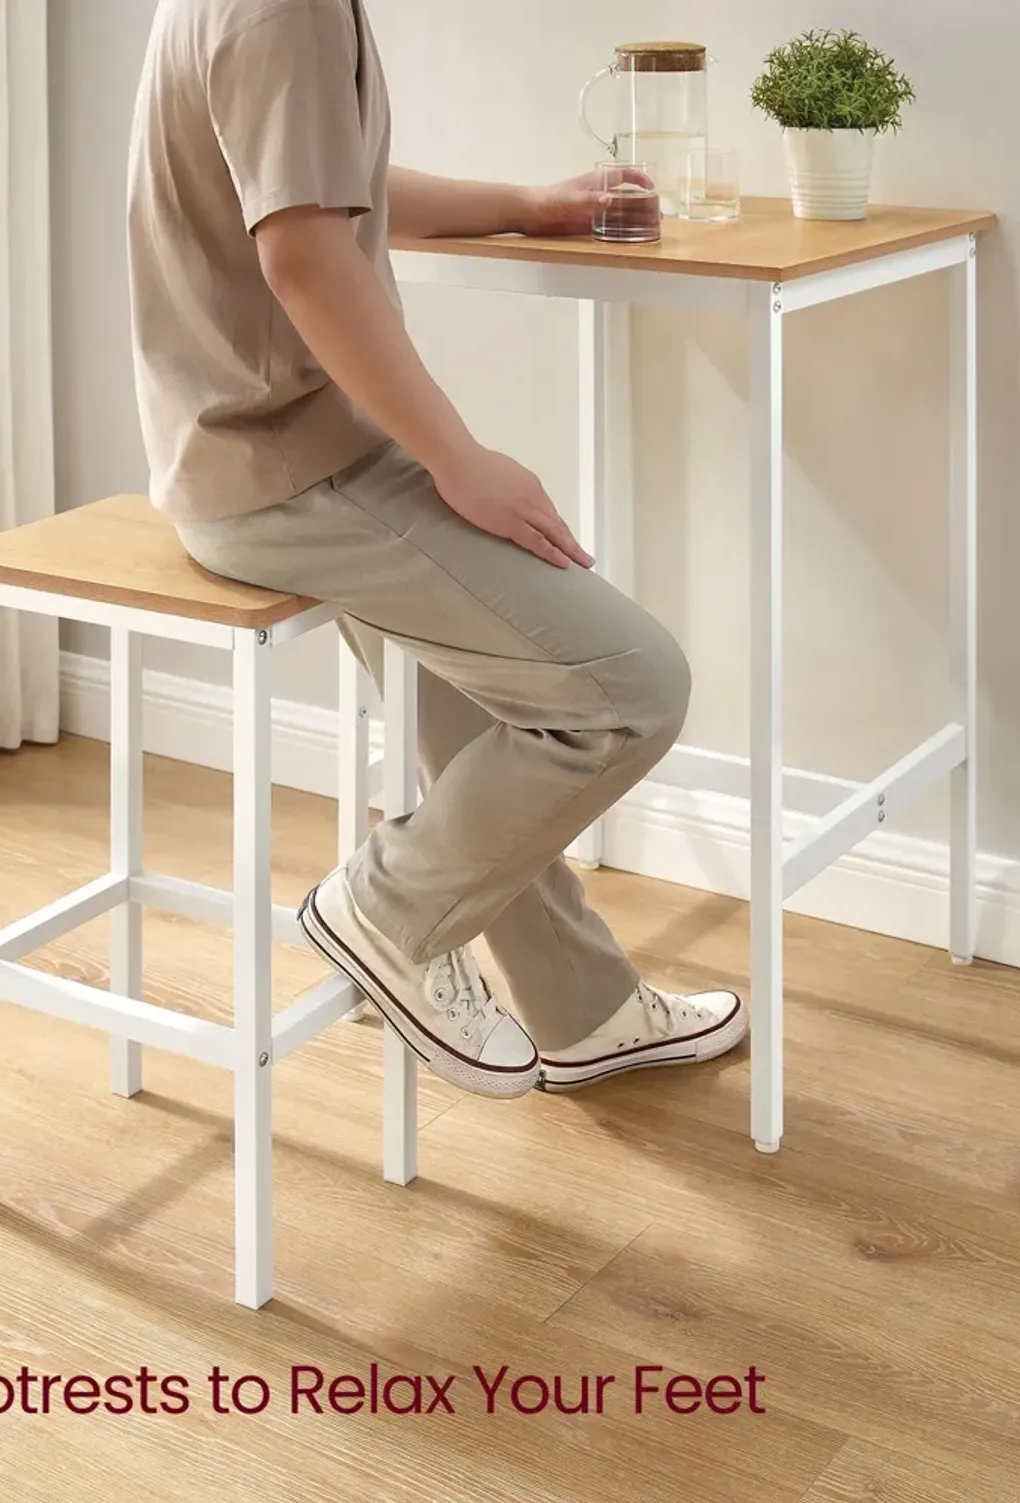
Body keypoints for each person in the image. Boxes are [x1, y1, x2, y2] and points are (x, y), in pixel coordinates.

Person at [126, 0, 747, 1100]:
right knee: (631, 687)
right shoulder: (286, 7)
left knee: (482, 705)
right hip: (286, 472)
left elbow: (323, 183)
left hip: (261, 453)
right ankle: (385, 911)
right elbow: (307, 257)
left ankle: (584, 1008)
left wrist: (529, 205)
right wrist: (457, 455)